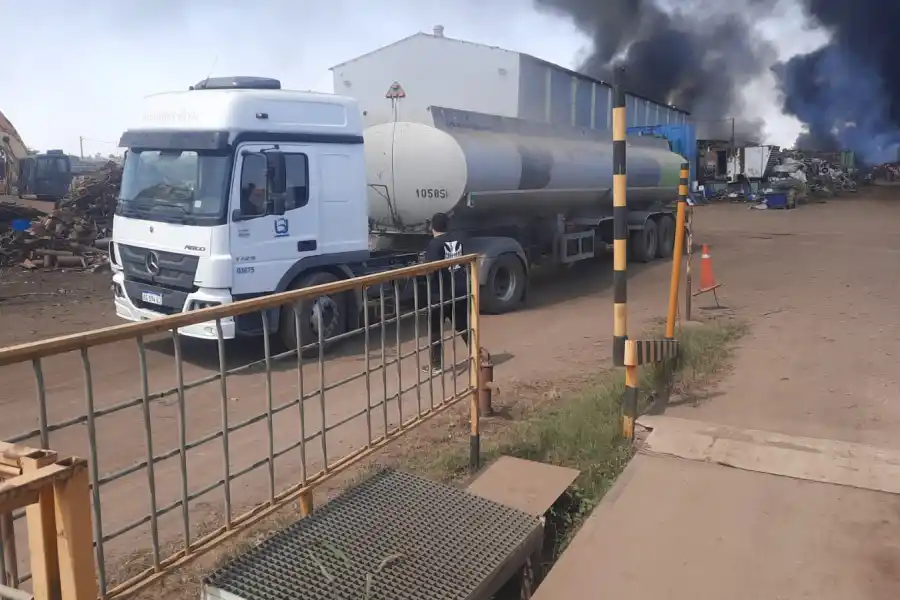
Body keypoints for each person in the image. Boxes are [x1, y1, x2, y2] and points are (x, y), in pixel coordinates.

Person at [422, 212, 469, 374]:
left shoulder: (434, 244)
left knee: (435, 329)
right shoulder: (458, 240)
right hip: (460, 290)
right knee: (463, 325)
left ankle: (436, 365)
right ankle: (478, 355)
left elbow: (431, 269)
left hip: (440, 294)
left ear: (432, 226)